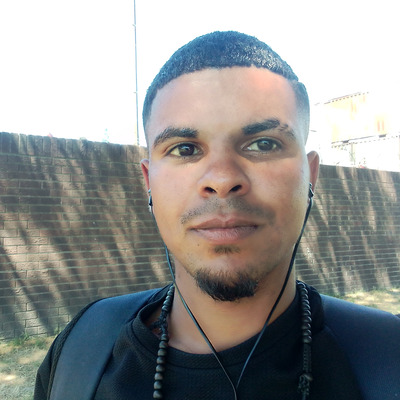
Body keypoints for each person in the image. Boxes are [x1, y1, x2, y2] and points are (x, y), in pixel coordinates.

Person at [34, 31, 400, 400]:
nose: (223, 180)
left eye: (263, 144)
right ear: (148, 182)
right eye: (185, 149)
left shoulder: (389, 358)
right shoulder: (78, 352)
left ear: (311, 175)